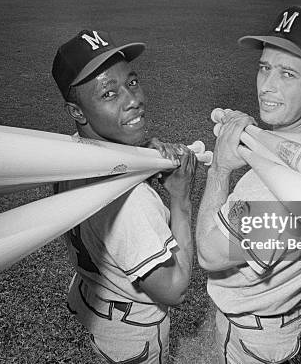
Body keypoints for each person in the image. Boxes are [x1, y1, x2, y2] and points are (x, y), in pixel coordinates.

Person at [196, 5, 301, 363]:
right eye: (265, 67)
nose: (267, 86)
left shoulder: (269, 189)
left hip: (255, 333)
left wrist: (219, 169)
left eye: (287, 73)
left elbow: (209, 254)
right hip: (298, 299)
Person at [51, 29, 197, 363]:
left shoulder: (64, 152)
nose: (133, 99)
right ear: (77, 111)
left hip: (96, 301)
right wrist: (181, 200)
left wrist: (141, 153)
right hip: (131, 336)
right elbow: (175, 289)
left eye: (131, 82)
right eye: (108, 93)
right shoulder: (132, 203)